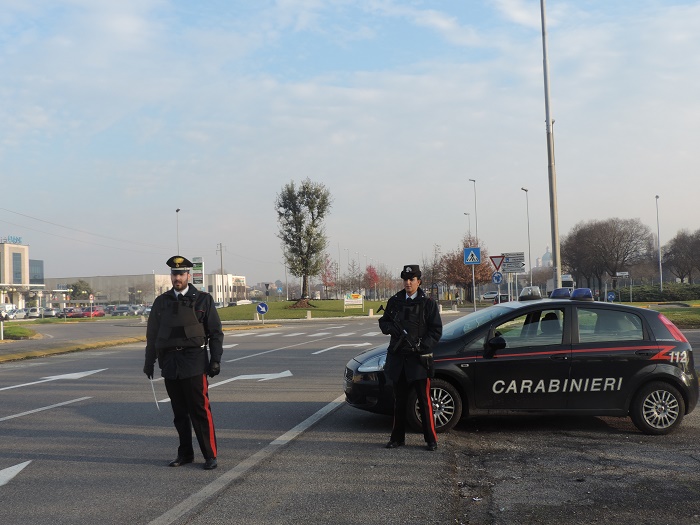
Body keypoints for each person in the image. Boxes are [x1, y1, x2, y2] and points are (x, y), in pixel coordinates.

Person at [143, 255, 224, 470]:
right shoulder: (162, 302)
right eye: (174, 274)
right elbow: (152, 335)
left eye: (181, 273)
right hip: (170, 363)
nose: (177, 277)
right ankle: (185, 454)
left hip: (194, 361)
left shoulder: (203, 299)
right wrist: (149, 362)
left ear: (189, 275)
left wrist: (215, 360)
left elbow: (215, 333)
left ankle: (210, 455)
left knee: (200, 410)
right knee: (179, 413)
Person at [378, 264, 443, 451]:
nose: (408, 283)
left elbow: (436, 330)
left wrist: (422, 345)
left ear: (418, 281)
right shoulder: (395, 301)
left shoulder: (427, 303)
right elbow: (384, 323)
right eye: (405, 279)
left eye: (411, 279)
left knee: (424, 401)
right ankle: (397, 438)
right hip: (398, 358)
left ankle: (431, 439)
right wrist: (392, 330)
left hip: (418, 359)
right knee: (399, 401)